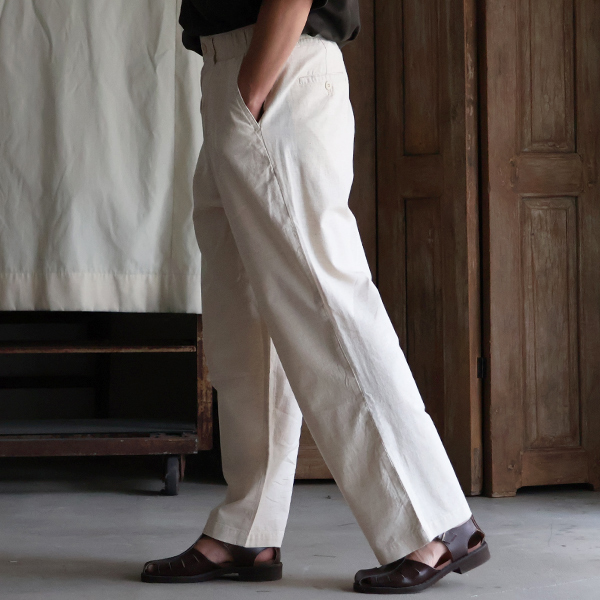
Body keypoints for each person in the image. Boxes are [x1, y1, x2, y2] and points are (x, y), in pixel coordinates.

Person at [141, 0, 491, 593]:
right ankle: (247, 528)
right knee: (241, 319)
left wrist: (251, 88)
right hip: (232, 74)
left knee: (328, 311)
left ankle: (432, 524)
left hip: (276, 68)